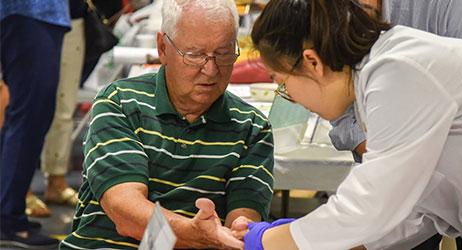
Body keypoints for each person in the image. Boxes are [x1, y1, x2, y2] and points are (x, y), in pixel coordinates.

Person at [235, 0, 462, 249]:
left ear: (312, 62)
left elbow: (373, 204)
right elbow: (415, 209)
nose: (291, 98)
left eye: (282, 83)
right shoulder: (374, 80)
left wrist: (266, 241)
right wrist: (303, 235)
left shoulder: (397, 70)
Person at [60, 0, 274, 249]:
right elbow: (126, 214)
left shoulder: (252, 126)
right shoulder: (120, 102)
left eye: (224, 53)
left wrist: (240, 230)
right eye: (195, 55)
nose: (211, 69)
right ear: (163, 48)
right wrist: (194, 233)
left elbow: (244, 218)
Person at [330, 0, 462, 163]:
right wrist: (381, 157)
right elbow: (335, 99)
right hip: (395, 169)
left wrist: (393, 163)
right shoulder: (327, 13)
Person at [0, 0, 70, 248]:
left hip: (32, 15)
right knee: (30, 114)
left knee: (24, 115)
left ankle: (10, 213)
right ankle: (9, 220)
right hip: (32, 13)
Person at [24, 0, 87, 218]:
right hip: (34, 17)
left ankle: (56, 181)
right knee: (29, 107)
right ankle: (21, 188)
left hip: (72, 15)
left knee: (66, 104)